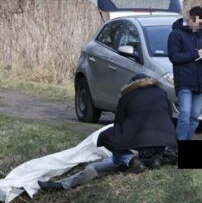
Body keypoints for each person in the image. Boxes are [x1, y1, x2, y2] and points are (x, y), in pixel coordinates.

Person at [38, 74, 177, 191]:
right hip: (166, 145)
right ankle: (153, 159)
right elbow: (170, 120)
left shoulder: (126, 97)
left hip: (140, 150)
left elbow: (118, 126)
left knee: (107, 140)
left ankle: (130, 160)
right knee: (111, 162)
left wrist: (128, 145)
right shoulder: (162, 94)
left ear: (131, 85)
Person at [167, 6, 202, 140]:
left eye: (201, 24)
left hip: (199, 82)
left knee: (194, 117)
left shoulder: (201, 34)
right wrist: (195, 54)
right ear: (190, 19)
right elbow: (174, 57)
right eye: (197, 23)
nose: (199, 26)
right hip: (184, 82)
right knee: (185, 115)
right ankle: (178, 146)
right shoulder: (175, 34)